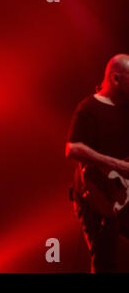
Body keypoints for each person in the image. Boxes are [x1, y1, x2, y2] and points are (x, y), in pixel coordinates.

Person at [66, 53, 129, 272]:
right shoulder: (90, 108)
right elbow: (73, 148)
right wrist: (119, 166)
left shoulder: (125, 111)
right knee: (105, 263)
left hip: (123, 193)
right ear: (116, 78)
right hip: (96, 195)